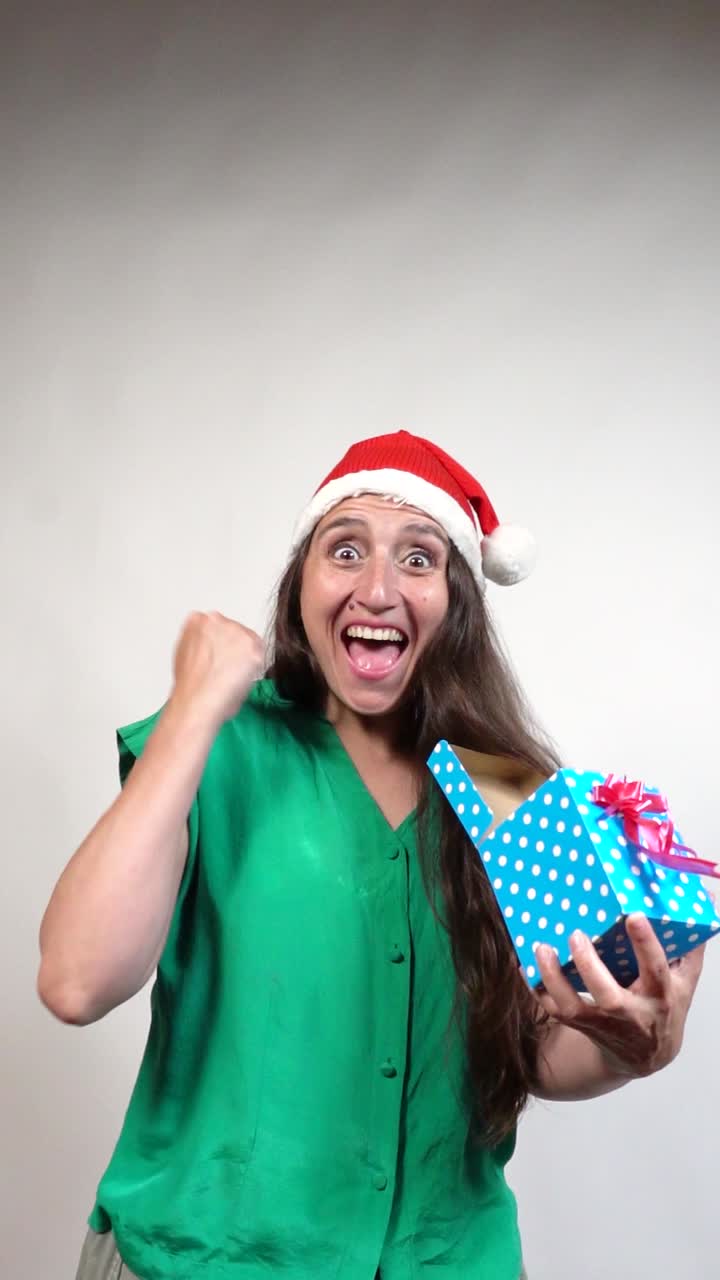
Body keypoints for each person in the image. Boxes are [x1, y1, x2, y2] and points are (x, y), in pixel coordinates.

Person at [38, 430, 704, 1280]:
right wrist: (196, 707)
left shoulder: (511, 794)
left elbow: (537, 1050)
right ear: (302, 584)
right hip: (200, 1260)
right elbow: (75, 981)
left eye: (418, 560)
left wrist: (628, 1047)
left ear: (456, 602)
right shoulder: (214, 751)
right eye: (344, 549)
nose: (378, 588)